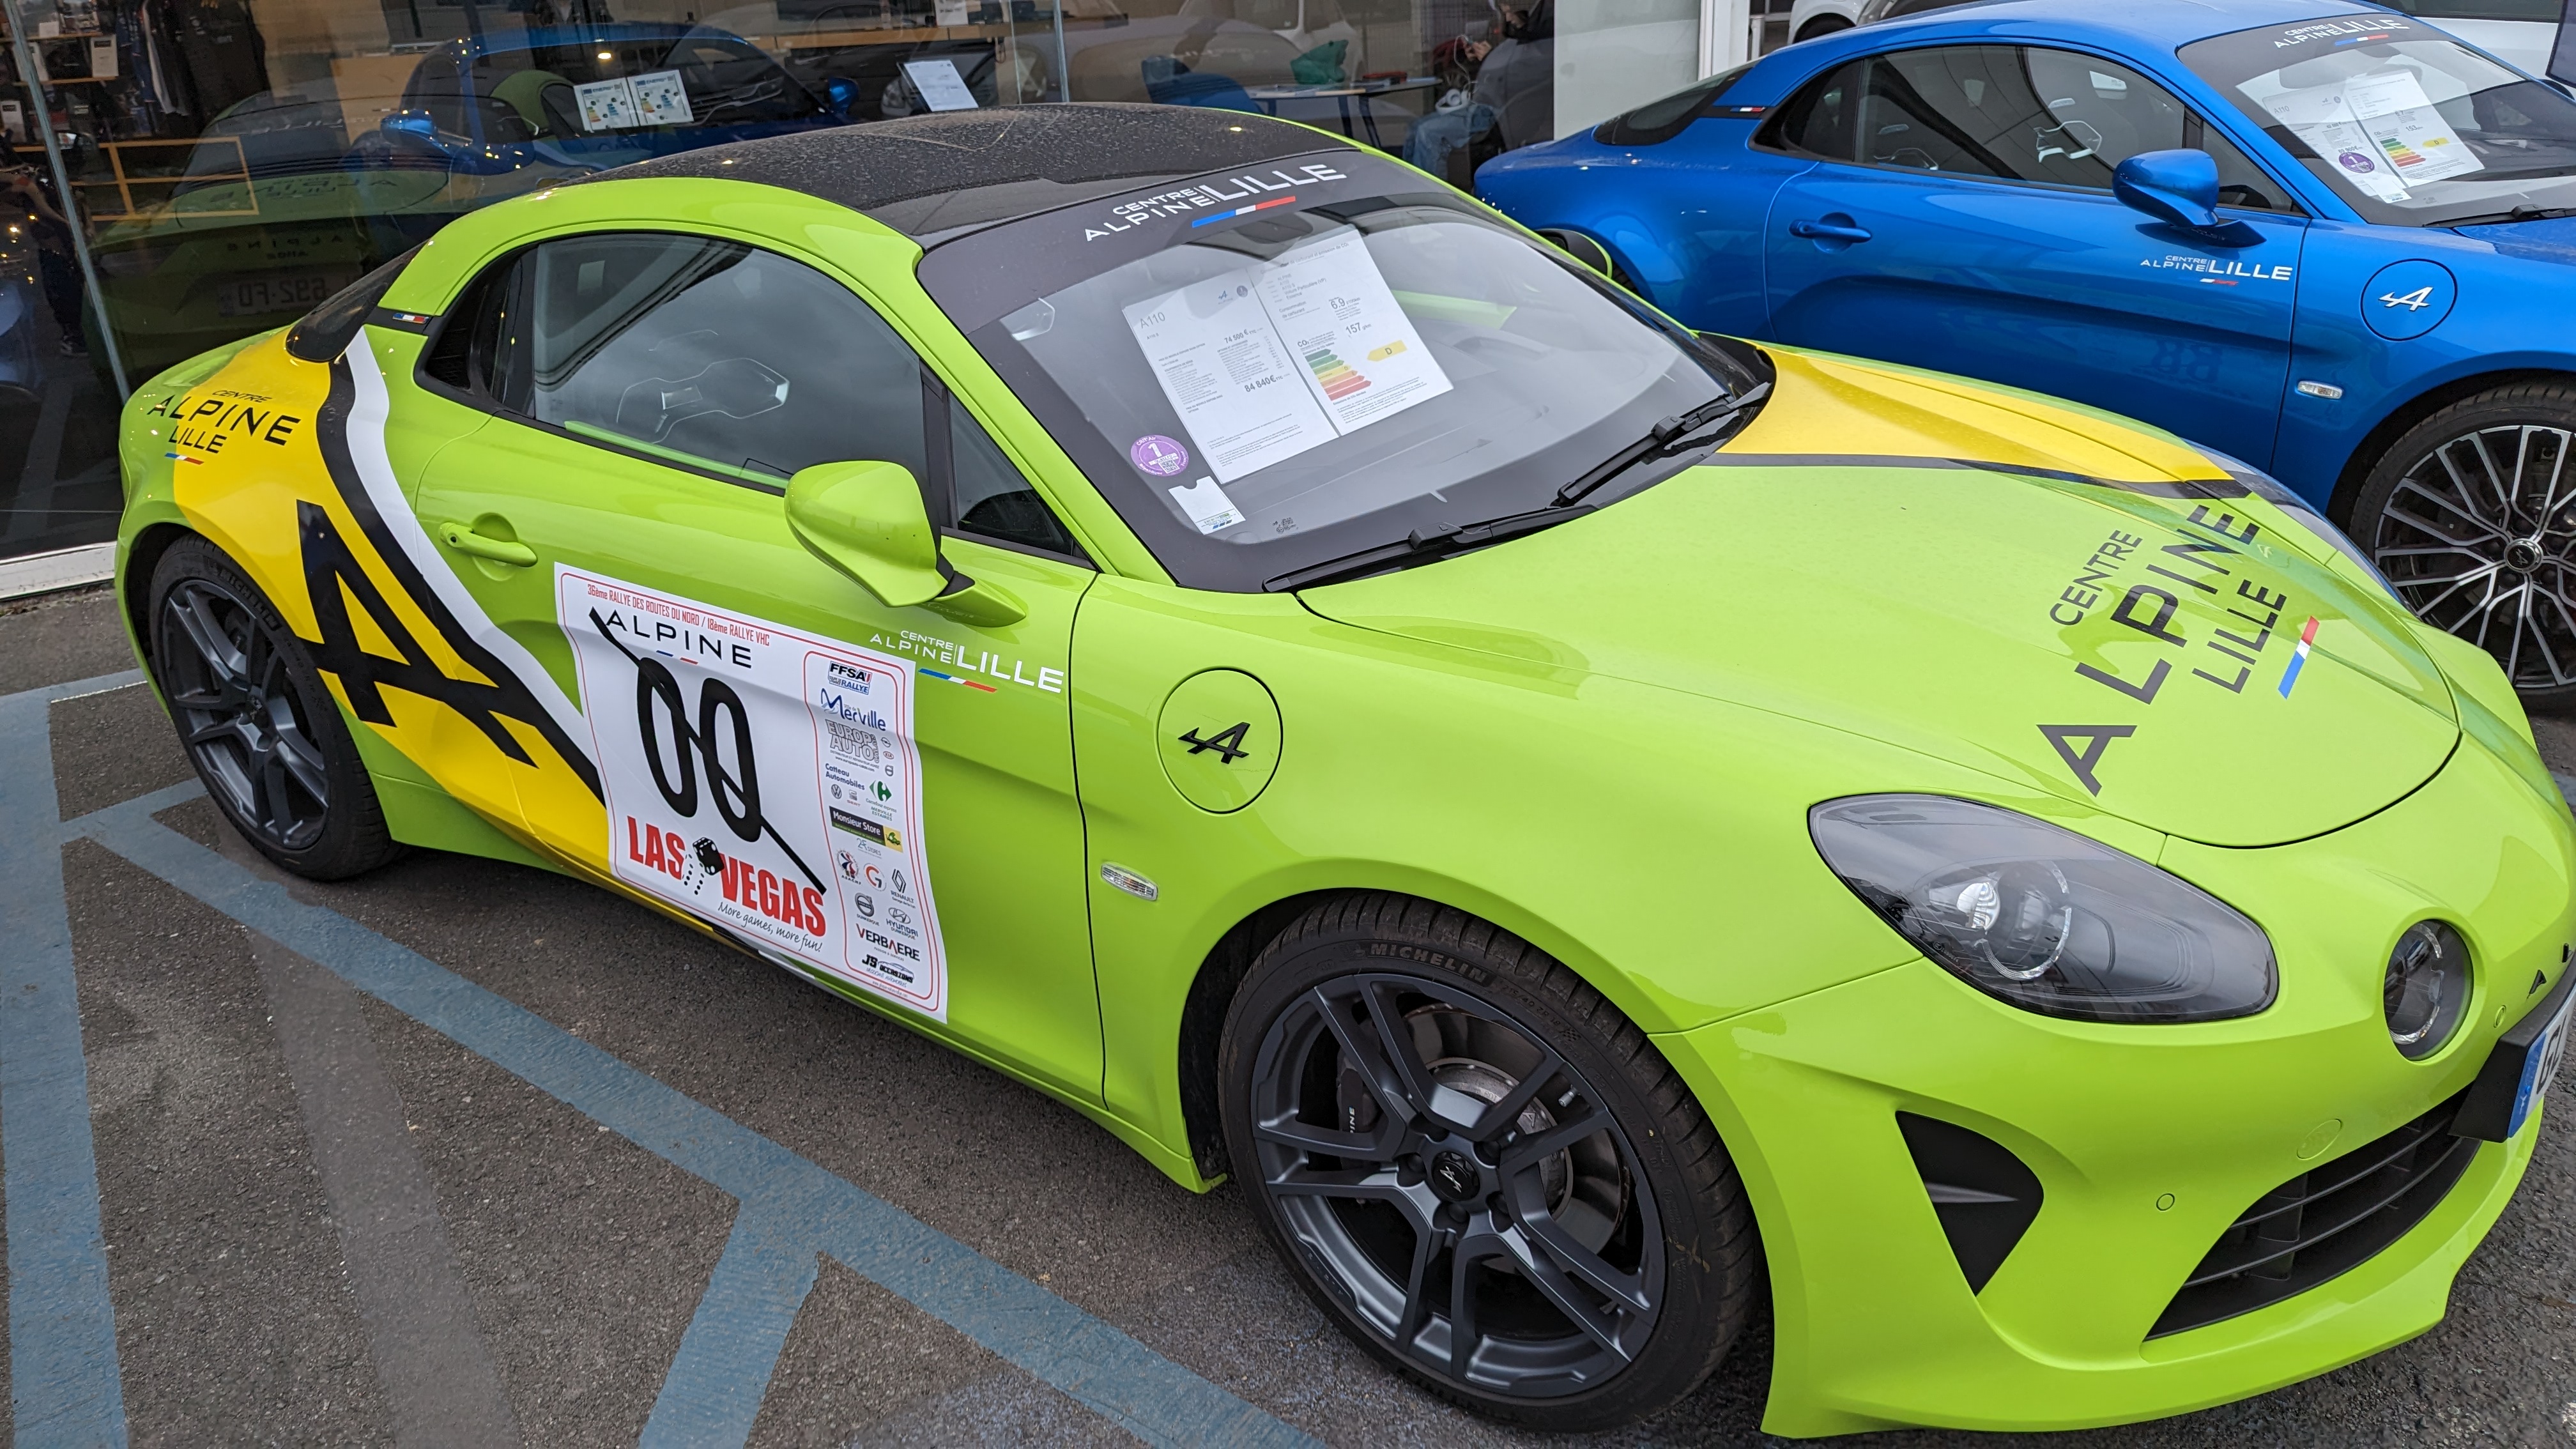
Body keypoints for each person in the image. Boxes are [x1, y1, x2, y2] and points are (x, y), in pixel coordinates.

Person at [3, 162, 86, 357]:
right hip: (51, 241)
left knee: (66, 288)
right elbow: (22, 189)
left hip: (56, 241)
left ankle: (76, 335)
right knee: (63, 288)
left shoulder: (36, 183)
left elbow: (26, 190)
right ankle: (74, 335)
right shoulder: (27, 185)